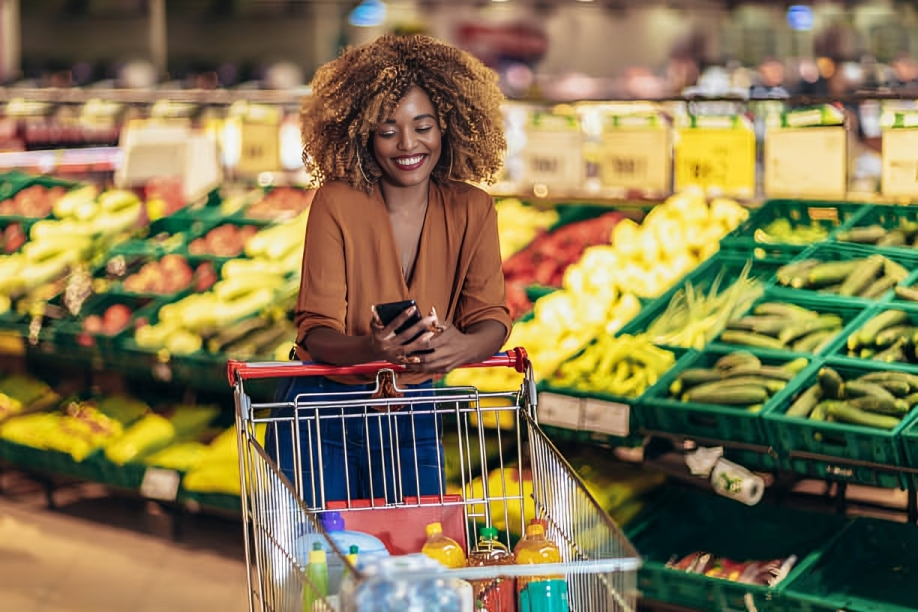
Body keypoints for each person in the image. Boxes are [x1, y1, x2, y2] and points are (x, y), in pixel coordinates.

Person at [266, 34, 512, 509]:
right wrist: (370, 348)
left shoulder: (474, 209)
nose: (408, 145)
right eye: (387, 129)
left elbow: (491, 316)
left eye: (423, 127)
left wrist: (464, 347)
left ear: (448, 127)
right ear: (362, 133)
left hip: (412, 410)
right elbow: (315, 331)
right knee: (324, 562)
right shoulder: (336, 202)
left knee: (413, 555)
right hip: (321, 409)